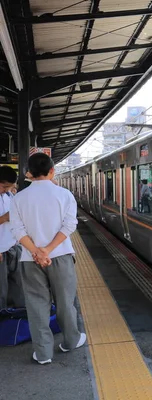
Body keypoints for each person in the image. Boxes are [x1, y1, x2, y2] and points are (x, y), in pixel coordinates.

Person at [10, 153, 85, 365]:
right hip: (60, 256)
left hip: (29, 258)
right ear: (52, 170)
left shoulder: (19, 198)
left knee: (36, 305)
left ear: (29, 173)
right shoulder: (64, 194)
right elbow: (69, 225)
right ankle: (71, 341)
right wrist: (48, 249)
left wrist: (36, 252)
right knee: (65, 302)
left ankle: (43, 353)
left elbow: (17, 230)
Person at [0, 166, 24, 309]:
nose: (6, 190)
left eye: (9, 187)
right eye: (4, 186)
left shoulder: (9, 196)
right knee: (1, 291)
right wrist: (4, 218)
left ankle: (16, 322)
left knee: (18, 289)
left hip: (13, 248)